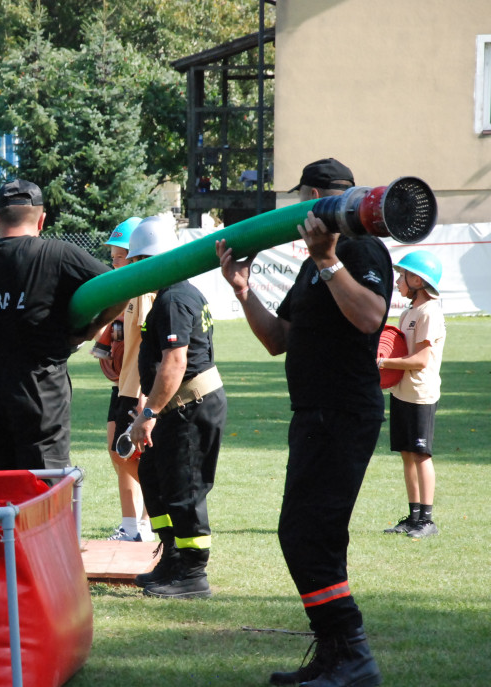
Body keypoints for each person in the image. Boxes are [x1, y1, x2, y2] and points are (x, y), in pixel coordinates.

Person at [216, 158, 390, 686]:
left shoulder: (359, 248)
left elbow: (370, 317)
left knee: (305, 534)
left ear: (313, 196)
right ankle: (337, 654)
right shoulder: (312, 261)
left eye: (299, 201)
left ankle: (351, 653)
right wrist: (244, 290)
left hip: (344, 411)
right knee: (310, 533)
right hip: (312, 412)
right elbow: (278, 339)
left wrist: (329, 262)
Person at [0, 179, 123, 472]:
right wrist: (88, 331)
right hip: (40, 397)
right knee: (42, 490)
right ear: (42, 220)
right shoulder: (59, 255)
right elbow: (118, 288)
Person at [126, 218, 226, 599]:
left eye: (138, 261)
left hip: (189, 407)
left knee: (185, 488)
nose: (132, 270)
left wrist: (148, 414)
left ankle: (192, 573)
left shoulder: (172, 300)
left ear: (154, 260)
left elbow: (175, 363)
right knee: (155, 478)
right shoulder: (173, 295)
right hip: (176, 406)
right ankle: (171, 557)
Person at [380, 250, 446, 539]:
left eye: (402, 275)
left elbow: (420, 360)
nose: (397, 280)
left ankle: (428, 521)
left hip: (420, 394)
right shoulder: (409, 311)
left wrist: (381, 363)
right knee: (407, 454)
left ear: (417, 279)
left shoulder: (429, 312)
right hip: (402, 391)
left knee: (421, 455)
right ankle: (413, 517)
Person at [100, 216, 153, 543]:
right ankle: (131, 524)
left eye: (119, 255)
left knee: (132, 457)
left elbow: (151, 340)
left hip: (138, 386)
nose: (114, 261)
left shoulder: (144, 290)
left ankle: (149, 521)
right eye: (113, 255)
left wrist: (147, 392)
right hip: (123, 384)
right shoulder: (125, 289)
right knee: (115, 450)